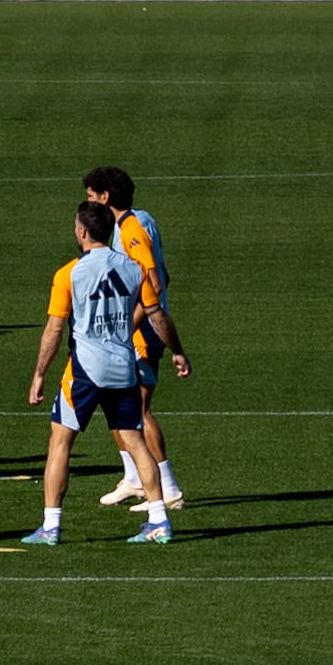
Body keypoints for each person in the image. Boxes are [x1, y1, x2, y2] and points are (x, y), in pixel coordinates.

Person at [23, 204, 165, 545]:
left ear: (82, 232)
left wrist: (39, 373)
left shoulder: (68, 273)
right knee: (135, 441)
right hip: (123, 366)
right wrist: (178, 351)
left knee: (61, 442)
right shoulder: (133, 270)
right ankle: (159, 519)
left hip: (85, 369)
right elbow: (156, 314)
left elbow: (54, 331)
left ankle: (51, 526)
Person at [85, 166, 190, 514]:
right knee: (116, 407)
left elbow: (155, 288)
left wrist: (124, 327)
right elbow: (165, 275)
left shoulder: (132, 231)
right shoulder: (139, 222)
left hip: (142, 333)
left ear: (105, 197)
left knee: (138, 409)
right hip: (134, 331)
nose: (88, 203)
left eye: (91, 197)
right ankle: (133, 478)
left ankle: (168, 488)